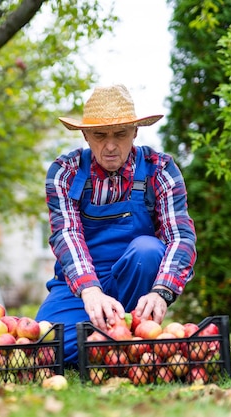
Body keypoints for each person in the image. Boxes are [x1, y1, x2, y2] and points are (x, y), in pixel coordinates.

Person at [35, 84, 197, 365]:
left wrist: (161, 292)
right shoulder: (65, 172)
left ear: (135, 131)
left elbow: (181, 237)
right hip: (79, 287)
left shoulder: (160, 169)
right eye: (99, 135)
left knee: (147, 251)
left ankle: (124, 336)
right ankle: (130, 345)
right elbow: (67, 234)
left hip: (134, 281)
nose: (110, 146)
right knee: (47, 345)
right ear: (85, 135)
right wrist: (91, 291)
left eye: (120, 134)